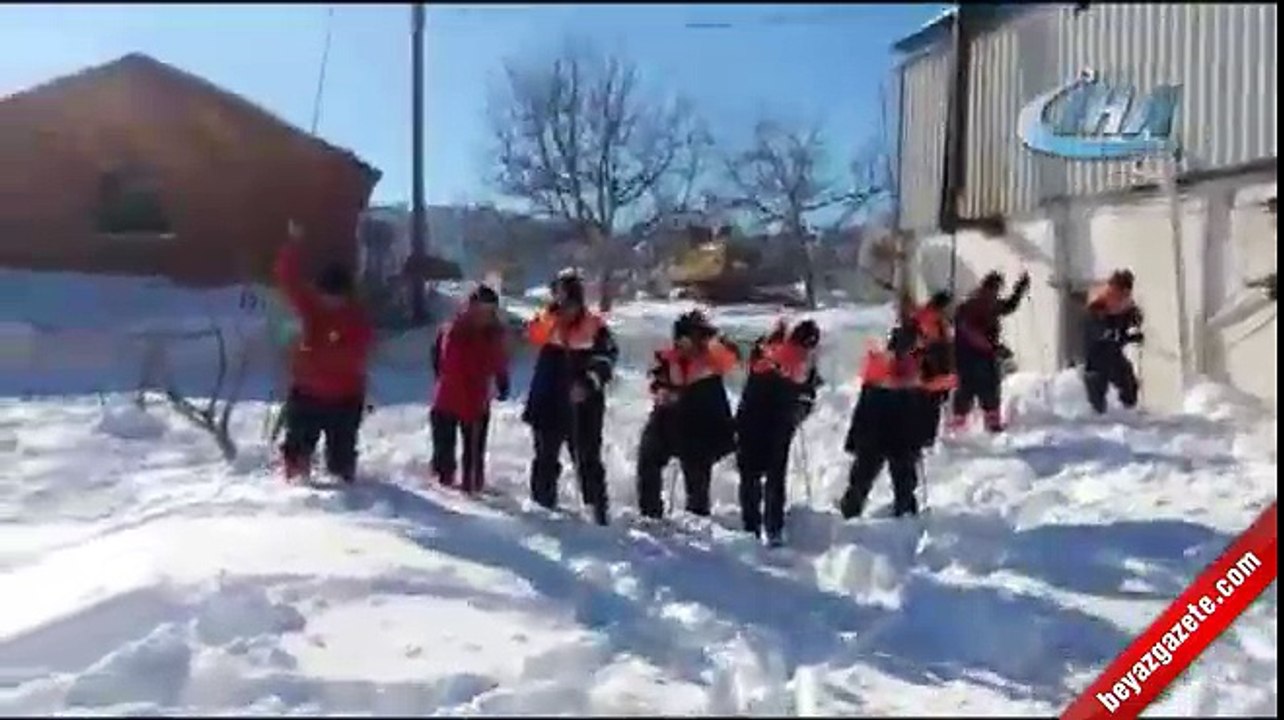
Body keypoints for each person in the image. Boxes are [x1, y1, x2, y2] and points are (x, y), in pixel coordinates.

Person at [274, 219, 375, 484]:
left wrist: (323, 348)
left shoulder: (356, 320)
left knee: (340, 464)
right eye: (324, 295)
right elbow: (288, 280)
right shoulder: (312, 306)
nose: (328, 301)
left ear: (345, 296)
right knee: (296, 451)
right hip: (306, 394)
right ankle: (293, 493)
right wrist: (293, 245)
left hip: (344, 398)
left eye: (334, 297)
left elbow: (353, 358)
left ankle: (347, 504)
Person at [522, 269, 619, 525]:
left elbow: (607, 359)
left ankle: (597, 511)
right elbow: (531, 335)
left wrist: (588, 383)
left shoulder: (595, 326)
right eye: (562, 301)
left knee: (587, 457)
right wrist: (552, 320)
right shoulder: (546, 319)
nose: (567, 308)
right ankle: (543, 508)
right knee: (545, 456)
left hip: (584, 402)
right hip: (548, 396)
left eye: (572, 303)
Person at [637, 310, 739, 521]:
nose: (691, 344)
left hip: (703, 427)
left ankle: (697, 520)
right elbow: (657, 380)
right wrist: (663, 392)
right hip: (668, 422)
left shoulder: (712, 361)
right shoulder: (666, 360)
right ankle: (651, 514)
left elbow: (733, 356)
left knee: (697, 470)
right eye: (687, 338)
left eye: (697, 338)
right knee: (648, 457)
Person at [735, 318, 822, 546]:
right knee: (775, 477)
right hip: (778, 422)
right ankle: (774, 529)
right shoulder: (800, 360)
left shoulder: (766, 350)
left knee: (750, 476)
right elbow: (805, 391)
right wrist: (802, 407)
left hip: (751, 417)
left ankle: (750, 528)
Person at [839, 326, 930, 519]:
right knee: (904, 479)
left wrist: (854, 436)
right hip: (901, 433)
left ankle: (849, 512)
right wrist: (922, 435)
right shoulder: (911, 369)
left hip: (872, 431)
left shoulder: (875, 366)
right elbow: (917, 408)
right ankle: (905, 514)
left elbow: (863, 406)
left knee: (861, 478)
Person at [430, 285, 511, 494]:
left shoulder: (494, 333)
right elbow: (447, 364)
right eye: (481, 309)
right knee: (444, 455)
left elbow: (498, 357)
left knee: (474, 453)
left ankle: (472, 488)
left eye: (490, 310)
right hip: (450, 396)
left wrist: (501, 378)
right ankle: (444, 490)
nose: (485, 315)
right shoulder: (455, 330)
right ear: (471, 307)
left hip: (477, 397)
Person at [950, 270, 1030, 433]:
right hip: (975, 356)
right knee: (984, 389)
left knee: (969, 389)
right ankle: (986, 426)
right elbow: (971, 332)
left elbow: (1008, 306)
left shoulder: (977, 303)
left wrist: (1020, 289)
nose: (998, 293)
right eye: (998, 288)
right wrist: (994, 348)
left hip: (969, 357)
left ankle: (959, 426)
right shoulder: (978, 305)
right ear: (993, 287)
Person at [1082, 269, 1144, 414]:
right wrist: (1117, 334)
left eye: (1125, 295)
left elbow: (1133, 322)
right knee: (1096, 396)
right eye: (1118, 294)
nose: (1121, 299)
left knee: (1129, 385)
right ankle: (1097, 420)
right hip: (1096, 360)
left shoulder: (1127, 308)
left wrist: (1134, 331)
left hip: (1114, 356)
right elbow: (1097, 332)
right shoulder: (1097, 307)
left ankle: (1129, 414)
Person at [910, 290, 957, 447]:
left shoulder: (919, 316)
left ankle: (920, 436)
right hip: (933, 366)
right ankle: (927, 439)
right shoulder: (935, 321)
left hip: (923, 367)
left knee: (924, 403)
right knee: (931, 405)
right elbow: (938, 345)